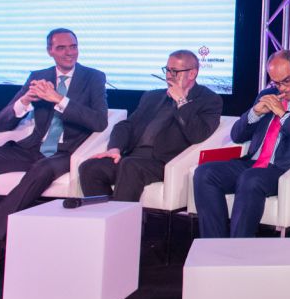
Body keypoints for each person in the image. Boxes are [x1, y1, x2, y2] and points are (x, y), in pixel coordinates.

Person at [0, 28, 108, 269]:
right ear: (50, 51)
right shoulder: (39, 76)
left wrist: (59, 100)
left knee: (41, 168)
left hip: (65, 153)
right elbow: (1, 123)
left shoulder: (93, 77)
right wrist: (26, 100)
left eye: (73, 46)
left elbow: (99, 121)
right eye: (61, 48)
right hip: (31, 148)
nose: (69, 52)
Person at [193, 49, 290, 238]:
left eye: (286, 80)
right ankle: (214, 245)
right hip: (253, 163)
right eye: (275, 82)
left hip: (283, 169)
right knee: (204, 173)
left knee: (251, 178)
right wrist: (256, 112)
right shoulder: (267, 94)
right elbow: (237, 136)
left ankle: (238, 250)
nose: (281, 88)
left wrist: (283, 115)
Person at [78, 49, 222, 201]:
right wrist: (115, 148)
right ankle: (102, 219)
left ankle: (120, 222)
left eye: (174, 71)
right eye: (167, 70)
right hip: (132, 157)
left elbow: (198, 134)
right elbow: (126, 126)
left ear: (192, 74)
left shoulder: (209, 100)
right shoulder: (152, 96)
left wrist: (181, 101)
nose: (168, 76)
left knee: (130, 166)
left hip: (164, 162)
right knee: (89, 167)